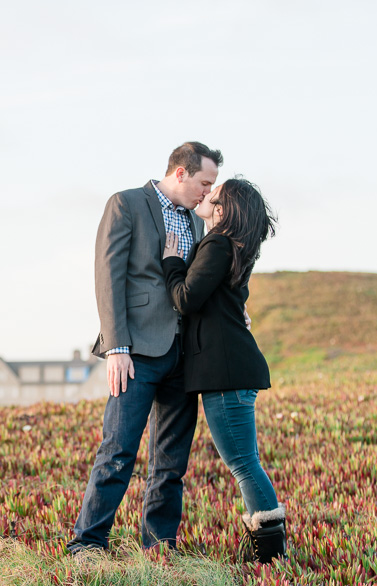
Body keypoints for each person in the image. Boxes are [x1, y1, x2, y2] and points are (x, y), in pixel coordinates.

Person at [66, 142, 222, 554]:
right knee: (118, 451)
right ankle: (87, 544)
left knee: (171, 465)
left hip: (183, 356)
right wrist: (115, 346)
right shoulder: (126, 203)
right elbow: (108, 275)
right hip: (134, 354)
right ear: (181, 173)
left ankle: (159, 548)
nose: (208, 192)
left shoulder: (196, 219)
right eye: (205, 183)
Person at [161, 177, 285, 564]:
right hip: (232, 371)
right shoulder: (234, 247)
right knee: (244, 462)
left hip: (227, 374)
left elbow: (185, 298)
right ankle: (269, 551)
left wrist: (171, 262)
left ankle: (270, 555)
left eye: (215, 194)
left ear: (223, 208)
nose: (207, 195)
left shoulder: (216, 243)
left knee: (243, 463)